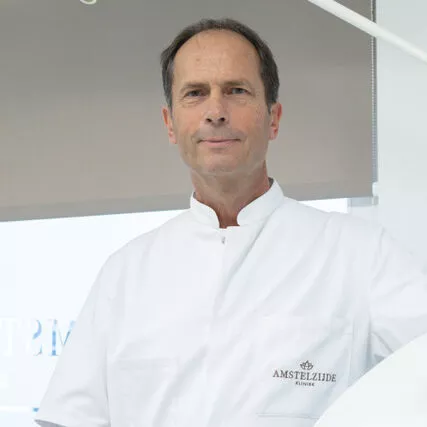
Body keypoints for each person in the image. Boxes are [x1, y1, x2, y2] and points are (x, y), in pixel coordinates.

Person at [35, 18, 427, 427]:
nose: (216, 112)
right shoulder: (125, 274)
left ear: (273, 118)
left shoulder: (359, 254)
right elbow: (71, 418)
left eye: (237, 91)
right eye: (195, 93)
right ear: (170, 124)